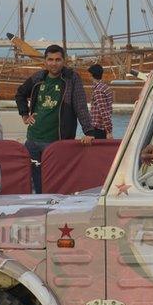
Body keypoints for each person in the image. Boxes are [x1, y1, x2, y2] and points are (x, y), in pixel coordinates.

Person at [15, 44, 97, 193]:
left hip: (56, 141)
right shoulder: (38, 78)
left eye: (58, 59)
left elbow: (80, 106)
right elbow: (20, 93)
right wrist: (25, 115)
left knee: (57, 180)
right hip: (33, 139)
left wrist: (89, 131)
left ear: (64, 61)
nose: (54, 63)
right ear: (45, 61)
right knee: (36, 181)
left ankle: (55, 211)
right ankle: (41, 209)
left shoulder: (71, 78)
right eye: (50, 59)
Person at [88, 64, 113, 139]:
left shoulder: (98, 90)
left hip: (98, 129)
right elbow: (108, 110)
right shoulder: (105, 87)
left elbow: (103, 111)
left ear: (92, 75)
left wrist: (109, 131)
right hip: (102, 128)